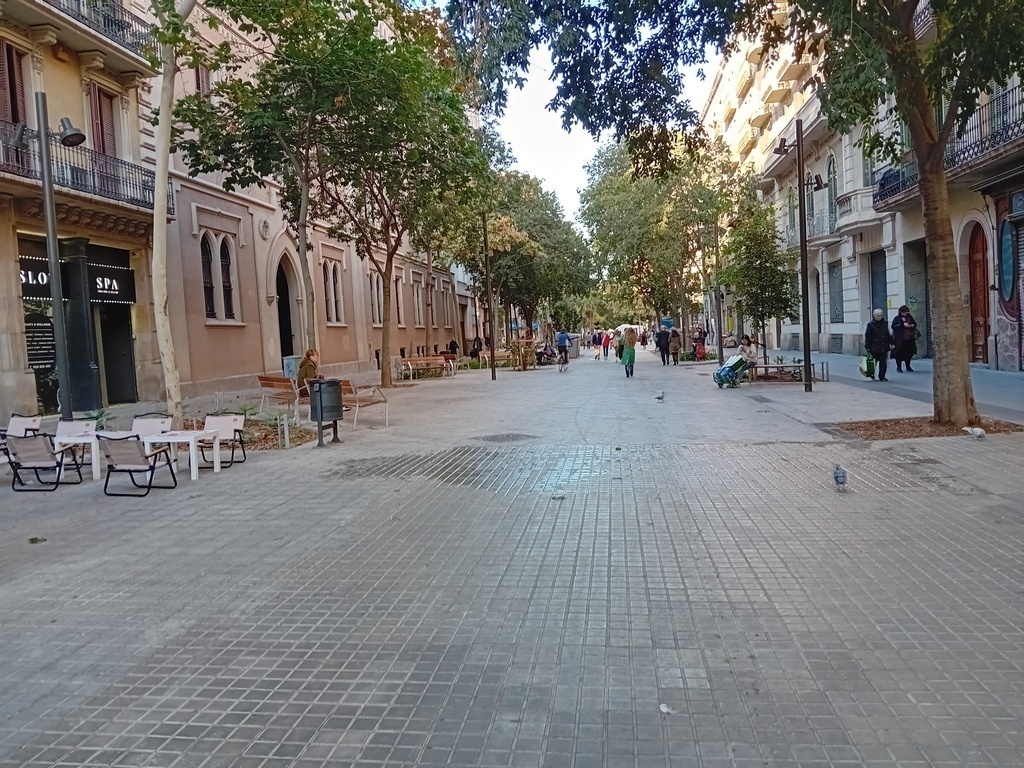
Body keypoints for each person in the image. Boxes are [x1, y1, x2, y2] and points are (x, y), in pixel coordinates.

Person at [865, 308, 895, 381]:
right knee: (873, 362)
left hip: (884, 345)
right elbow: (868, 336)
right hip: (874, 346)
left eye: (880, 315)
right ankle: (871, 373)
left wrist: (892, 343)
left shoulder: (885, 323)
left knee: (883, 363)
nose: (879, 317)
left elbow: (888, 334)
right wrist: (867, 346)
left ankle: (882, 376)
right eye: (878, 316)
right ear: (874, 316)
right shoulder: (870, 325)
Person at [891, 305, 918, 372]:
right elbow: (893, 326)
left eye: (906, 312)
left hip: (909, 339)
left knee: (909, 354)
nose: (905, 313)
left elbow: (915, 324)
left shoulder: (910, 317)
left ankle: (908, 366)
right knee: (899, 354)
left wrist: (911, 325)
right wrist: (902, 325)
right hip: (900, 339)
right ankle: (899, 367)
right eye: (903, 312)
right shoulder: (897, 318)